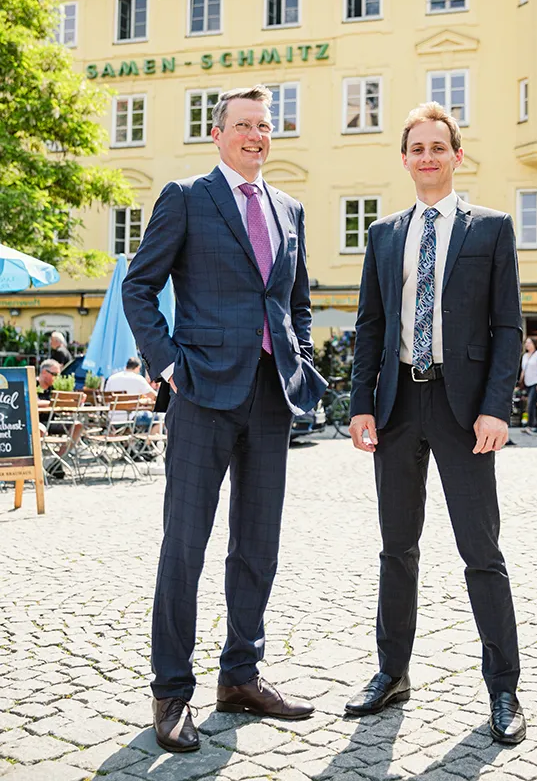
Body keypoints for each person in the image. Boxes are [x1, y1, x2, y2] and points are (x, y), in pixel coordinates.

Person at [123, 84, 327, 754]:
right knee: (184, 545)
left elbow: (296, 300)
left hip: (271, 394)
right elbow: (139, 286)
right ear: (217, 134)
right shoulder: (187, 197)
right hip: (202, 392)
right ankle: (170, 691)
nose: (255, 135)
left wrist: (297, 354)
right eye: (243, 125)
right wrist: (168, 364)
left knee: (257, 546)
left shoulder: (290, 208)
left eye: (264, 126)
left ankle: (240, 676)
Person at [346, 102, 525, 745]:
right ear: (404, 159)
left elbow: (508, 325)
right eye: (416, 148)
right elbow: (370, 325)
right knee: (396, 548)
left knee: (481, 551)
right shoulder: (383, 233)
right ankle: (392, 672)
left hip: (464, 408)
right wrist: (361, 403)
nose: (427, 157)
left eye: (437, 147)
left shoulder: (492, 228)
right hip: (397, 405)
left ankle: (503, 687)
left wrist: (496, 407)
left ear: (457, 155)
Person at [35, 359, 83, 478]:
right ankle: (38, 464)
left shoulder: (55, 387)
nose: (56, 378)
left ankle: (56, 460)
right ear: (44, 372)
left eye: (58, 375)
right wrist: (53, 403)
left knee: (77, 425)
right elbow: (34, 402)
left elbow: (63, 404)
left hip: (52, 421)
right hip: (36, 422)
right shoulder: (33, 384)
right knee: (40, 430)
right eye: (54, 374)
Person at [104, 356, 157, 430]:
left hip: (112, 418)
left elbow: (106, 399)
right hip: (131, 419)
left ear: (126, 366)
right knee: (159, 418)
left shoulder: (111, 378)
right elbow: (155, 396)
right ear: (138, 368)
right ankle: (148, 437)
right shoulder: (138, 379)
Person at [520, 336, 537, 431]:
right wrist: (520, 382)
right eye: (526, 343)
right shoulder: (525, 356)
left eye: (529, 343)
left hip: (536, 382)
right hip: (527, 383)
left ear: (534, 344)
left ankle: (531, 425)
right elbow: (523, 370)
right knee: (532, 403)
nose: (527, 345)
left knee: (531, 403)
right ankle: (535, 424)